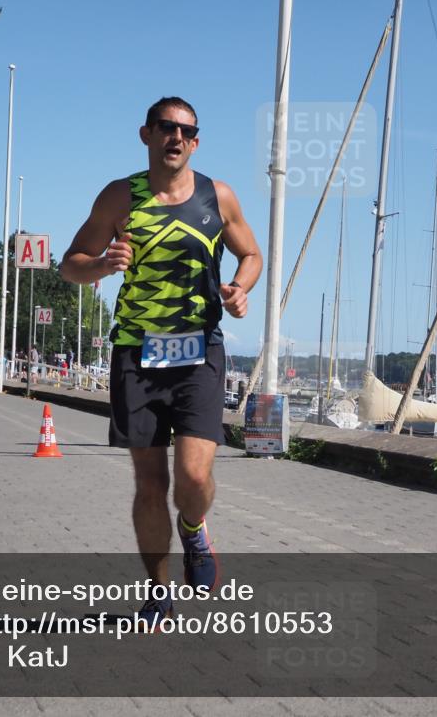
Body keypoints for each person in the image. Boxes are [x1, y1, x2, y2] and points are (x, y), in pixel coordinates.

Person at [60, 96, 262, 627]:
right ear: (146, 134)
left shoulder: (218, 197)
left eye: (188, 131)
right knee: (150, 486)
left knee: (192, 479)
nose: (177, 137)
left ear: (196, 142)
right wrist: (103, 264)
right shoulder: (120, 197)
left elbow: (251, 254)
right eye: (166, 127)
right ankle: (157, 592)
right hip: (137, 355)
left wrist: (240, 289)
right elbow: (70, 266)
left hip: (199, 352)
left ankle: (194, 528)